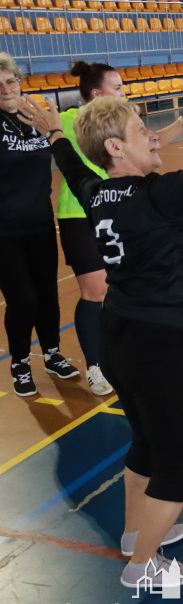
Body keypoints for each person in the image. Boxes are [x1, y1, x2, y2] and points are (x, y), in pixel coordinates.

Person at [17, 51, 183, 588]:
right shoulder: (159, 196)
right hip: (156, 344)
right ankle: (141, 568)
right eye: (144, 130)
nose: (155, 137)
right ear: (116, 148)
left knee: (144, 441)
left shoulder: (96, 193)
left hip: (120, 335)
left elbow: (71, 163)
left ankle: (136, 535)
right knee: (179, 457)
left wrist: (54, 132)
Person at [57, 61, 183, 396]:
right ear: (97, 94)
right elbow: (51, 140)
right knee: (94, 292)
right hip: (78, 214)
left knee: (116, 292)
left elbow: (152, 141)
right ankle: (94, 365)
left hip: (118, 210)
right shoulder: (69, 120)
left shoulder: (120, 125)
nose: (123, 91)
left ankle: (114, 356)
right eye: (117, 87)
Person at [0, 53, 77, 397]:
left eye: (10, 81)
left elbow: (61, 146)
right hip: (5, 232)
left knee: (48, 295)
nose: (5, 88)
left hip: (41, 225)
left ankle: (51, 353)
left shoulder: (36, 117)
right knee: (23, 301)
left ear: (19, 81)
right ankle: (19, 361)